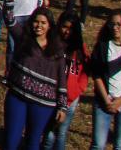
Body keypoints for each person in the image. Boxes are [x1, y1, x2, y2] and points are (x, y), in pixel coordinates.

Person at [3, 7, 67, 150]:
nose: (39, 26)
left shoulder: (57, 50)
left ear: (50, 25)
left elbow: (62, 80)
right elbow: (9, 19)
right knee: (11, 141)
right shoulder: (23, 39)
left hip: (43, 104)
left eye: (43, 23)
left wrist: (62, 106)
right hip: (18, 97)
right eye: (36, 22)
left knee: (33, 143)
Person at [42, 11, 89, 150]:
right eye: (64, 27)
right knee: (49, 134)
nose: (67, 31)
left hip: (71, 98)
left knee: (61, 133)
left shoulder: (80, 49)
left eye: (71, 28)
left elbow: (85, 73)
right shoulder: (52, 44)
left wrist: (78, 89)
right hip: (52, 95)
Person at [89, 13, 121, 150]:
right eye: (112, 24)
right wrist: (107, 100)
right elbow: (96, 75)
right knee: (98, 144)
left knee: (119, 145)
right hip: (103, 101)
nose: (115, 28)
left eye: (119, 25)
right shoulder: (102, 47)